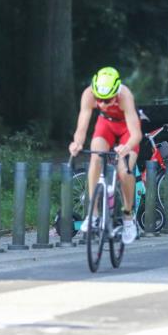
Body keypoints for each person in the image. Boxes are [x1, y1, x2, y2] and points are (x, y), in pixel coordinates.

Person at [68, 67, 141, 243]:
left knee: (124, 171)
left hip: (126, 129)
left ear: (116, 93)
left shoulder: (125, 97)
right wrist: (77, 143)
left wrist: (126, 147)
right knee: (95, 157)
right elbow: (82, 126)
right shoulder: (89, 94)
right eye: (99, 98)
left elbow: (136, 134)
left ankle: (128, 217)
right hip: (106, 125)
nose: (101, 103)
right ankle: (92, 215)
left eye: (107, 100)